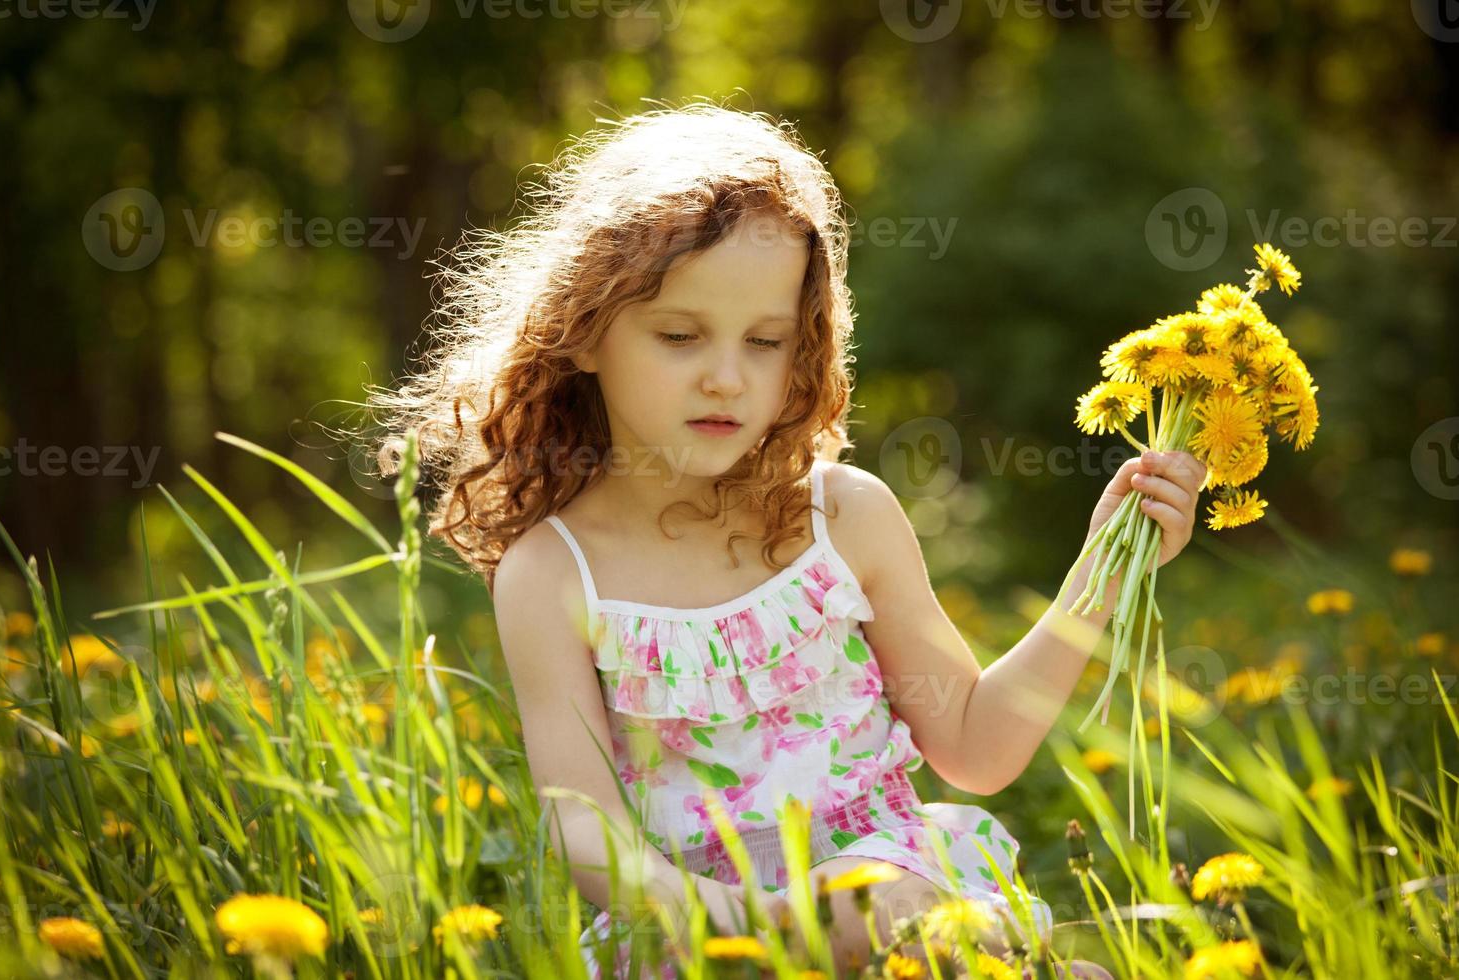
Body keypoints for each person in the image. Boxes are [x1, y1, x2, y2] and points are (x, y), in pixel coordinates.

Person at [369, 101, 1203, 978]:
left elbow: (977, 746)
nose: (726, 376)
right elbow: (587, 832)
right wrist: (760, 922)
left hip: (892, 902)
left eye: (764, 342)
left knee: (906, 915)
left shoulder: (843, 519)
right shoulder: (552, 573)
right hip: (705, 937)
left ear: (802, 349)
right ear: (584, 332)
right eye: (680, 335)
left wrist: (1104, 571)